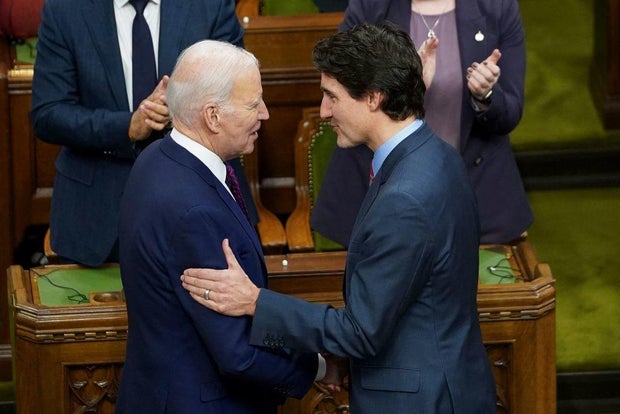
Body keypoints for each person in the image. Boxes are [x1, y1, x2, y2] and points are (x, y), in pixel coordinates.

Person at [181, 22, 496, 413]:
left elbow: (362, 332)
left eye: (332, 96)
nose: (324, 111)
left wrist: (255, 302)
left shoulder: (405, 198)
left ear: (374, 98)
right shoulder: (436, 156)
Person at [116, 40, 324, 413]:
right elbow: (237, 353)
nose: (265, 113)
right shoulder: (194, 211)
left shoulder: (156, 159)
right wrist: (320, 366)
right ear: (212, 116)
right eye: (252, 104)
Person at [31, 0, 257, 267]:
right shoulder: (66, 9)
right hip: (97, 220)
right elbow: (48, 114)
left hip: (201, 207)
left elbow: (240, 94)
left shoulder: (209, 5)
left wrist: (183, 107)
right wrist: (128, 126)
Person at [310, 0, 533, 247]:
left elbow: (510, 114)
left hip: (474, 193)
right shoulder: (371, 6)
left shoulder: (497, 7)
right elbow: (342, 90)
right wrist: (409, 87)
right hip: (381, 195)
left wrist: (486, 96)